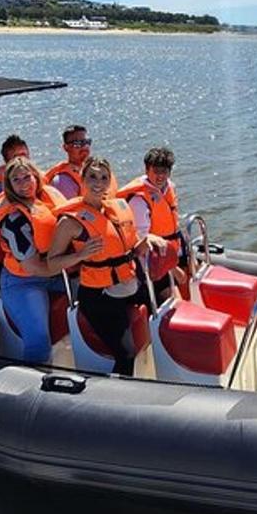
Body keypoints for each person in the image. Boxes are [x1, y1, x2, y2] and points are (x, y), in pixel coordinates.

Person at [47, 156, 167, 375]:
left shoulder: (116, 210)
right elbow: (52, 264)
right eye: (92, 176)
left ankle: (162, 372)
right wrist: (80, 255)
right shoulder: (70, 222)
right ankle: (119, 399)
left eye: (104, 177)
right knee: (126, 354)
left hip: (127, 284)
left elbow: (127, 248)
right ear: (82, 180)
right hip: (98, 296)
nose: (98, 183)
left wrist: (145, 240)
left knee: (164, 305)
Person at [0, 157, 68, 362]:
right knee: (38, 343)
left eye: (27, 177)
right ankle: (34, 383)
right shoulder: (13, 220)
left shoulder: (44, 202)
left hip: (55, 274)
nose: (24, 184)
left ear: (36, 178)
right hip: (23, 282)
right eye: (16, 180)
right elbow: (34, 267)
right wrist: (77, 258)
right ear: (9, 186)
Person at [117, 147, 185, 301]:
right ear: (147, 170)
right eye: (156, 171)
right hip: (153, 261)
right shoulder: (139, 200)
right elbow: (143, 240)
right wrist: (173, 269)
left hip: (172, 249)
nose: (161, 176)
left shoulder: (169, 187)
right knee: (172, 299)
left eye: (165, 171)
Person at [44, 125, 92, 199]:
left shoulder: (99, 172)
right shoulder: (63, 181)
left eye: (86, 142)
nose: (84, 147)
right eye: (77, 144)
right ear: (66, 147)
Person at [0, 134, 32, 198]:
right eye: (15, 157)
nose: (21, 159)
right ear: (6, 161)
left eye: (23, 154)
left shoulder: (36, 176)